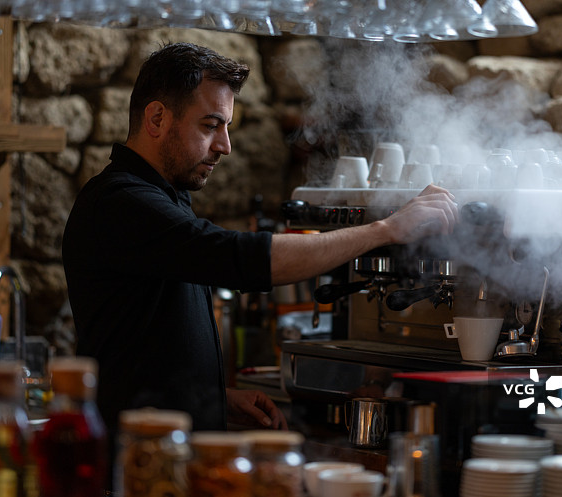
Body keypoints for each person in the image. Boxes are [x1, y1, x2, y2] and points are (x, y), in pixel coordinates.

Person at [61, 42, 459, 474]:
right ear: (156, 118)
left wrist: (215, 399)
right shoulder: (120, 202)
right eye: (211, 125)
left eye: (226, 127)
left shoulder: (163, 197)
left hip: (167, 460)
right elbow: (244, 258)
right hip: (135, 473)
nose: (225, 145)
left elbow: (144, 343)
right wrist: (386, 230)